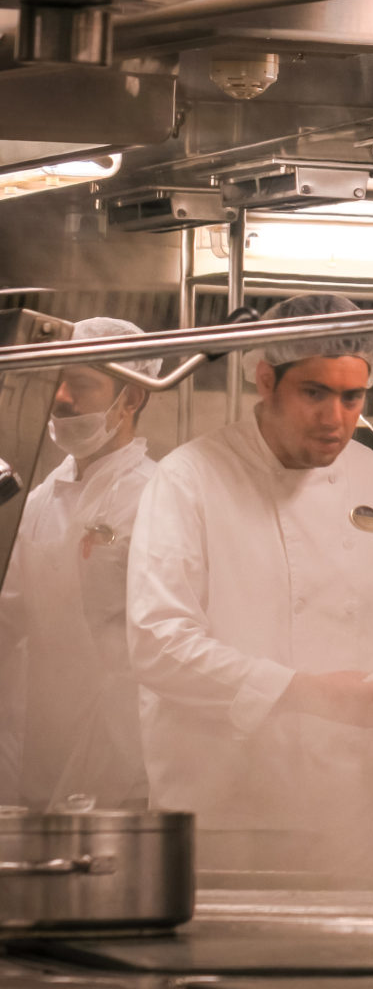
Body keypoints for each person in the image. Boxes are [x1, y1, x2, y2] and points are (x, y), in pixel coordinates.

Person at [127, 294, 373, 884]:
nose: (335, 418)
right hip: (228, 814)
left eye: (352, 397)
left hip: (355, 816)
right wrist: (299, 691)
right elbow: (158, 643)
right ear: (267, 380)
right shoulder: (189, 479)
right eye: (314, 393)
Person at [0, 317, 160, 809]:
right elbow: (11, 617)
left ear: (131, 398)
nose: (62, 397)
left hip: (124, 747)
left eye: (82, 384)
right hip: (42, 737)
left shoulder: (157, 497)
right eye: (58, 379)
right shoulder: (39, 497)